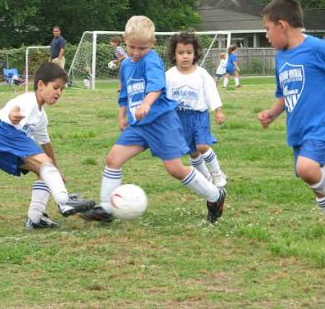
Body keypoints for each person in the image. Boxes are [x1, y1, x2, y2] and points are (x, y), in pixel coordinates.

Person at [79, 16, 226, 224]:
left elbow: (156, 85)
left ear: (153, 44)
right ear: (124, 40)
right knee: (113, 159)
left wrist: (147, 104)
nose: (137, 52)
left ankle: (215, 196)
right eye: (132, 47)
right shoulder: (126, 66)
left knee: (175, 169)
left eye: (142, 48)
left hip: (161, 123)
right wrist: (122, 114)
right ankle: (106, 208)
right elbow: (125, 93)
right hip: (138, 126)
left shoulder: (152, 60)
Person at [0, 62, 95, 229]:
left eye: (62, 89)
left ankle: (35, 218)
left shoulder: (41, 117)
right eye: (56, 87)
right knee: (45, 165)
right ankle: (64, 201)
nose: (59, 93)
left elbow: (46, 144)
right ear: (41, 85)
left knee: (44, 170)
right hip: (3, 130)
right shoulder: (28, 100)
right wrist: (12, 114)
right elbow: (15, 107)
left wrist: (56, 171)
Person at [258, 0, 325, 220]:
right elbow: (284, 93)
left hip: (321, 125)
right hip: (298, 130)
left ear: (282, 25)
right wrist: (272, 113)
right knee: (318, 189)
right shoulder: (281, 57)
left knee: (307, 169)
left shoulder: (319, 49)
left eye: (267, 29)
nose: (266, 35)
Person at [166, 32, 227, 188]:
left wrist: (218, 111)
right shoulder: (169, 76)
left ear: (195, 54)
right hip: (179, 118)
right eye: (181, 53)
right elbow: (163, 98)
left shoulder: (201, 74)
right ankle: (206, 177)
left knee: (202, 146)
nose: (185, 56)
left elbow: (211, 92)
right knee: (192, 151)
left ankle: (217, 173)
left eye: (189, 52)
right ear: (174, 54)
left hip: (199, 115)